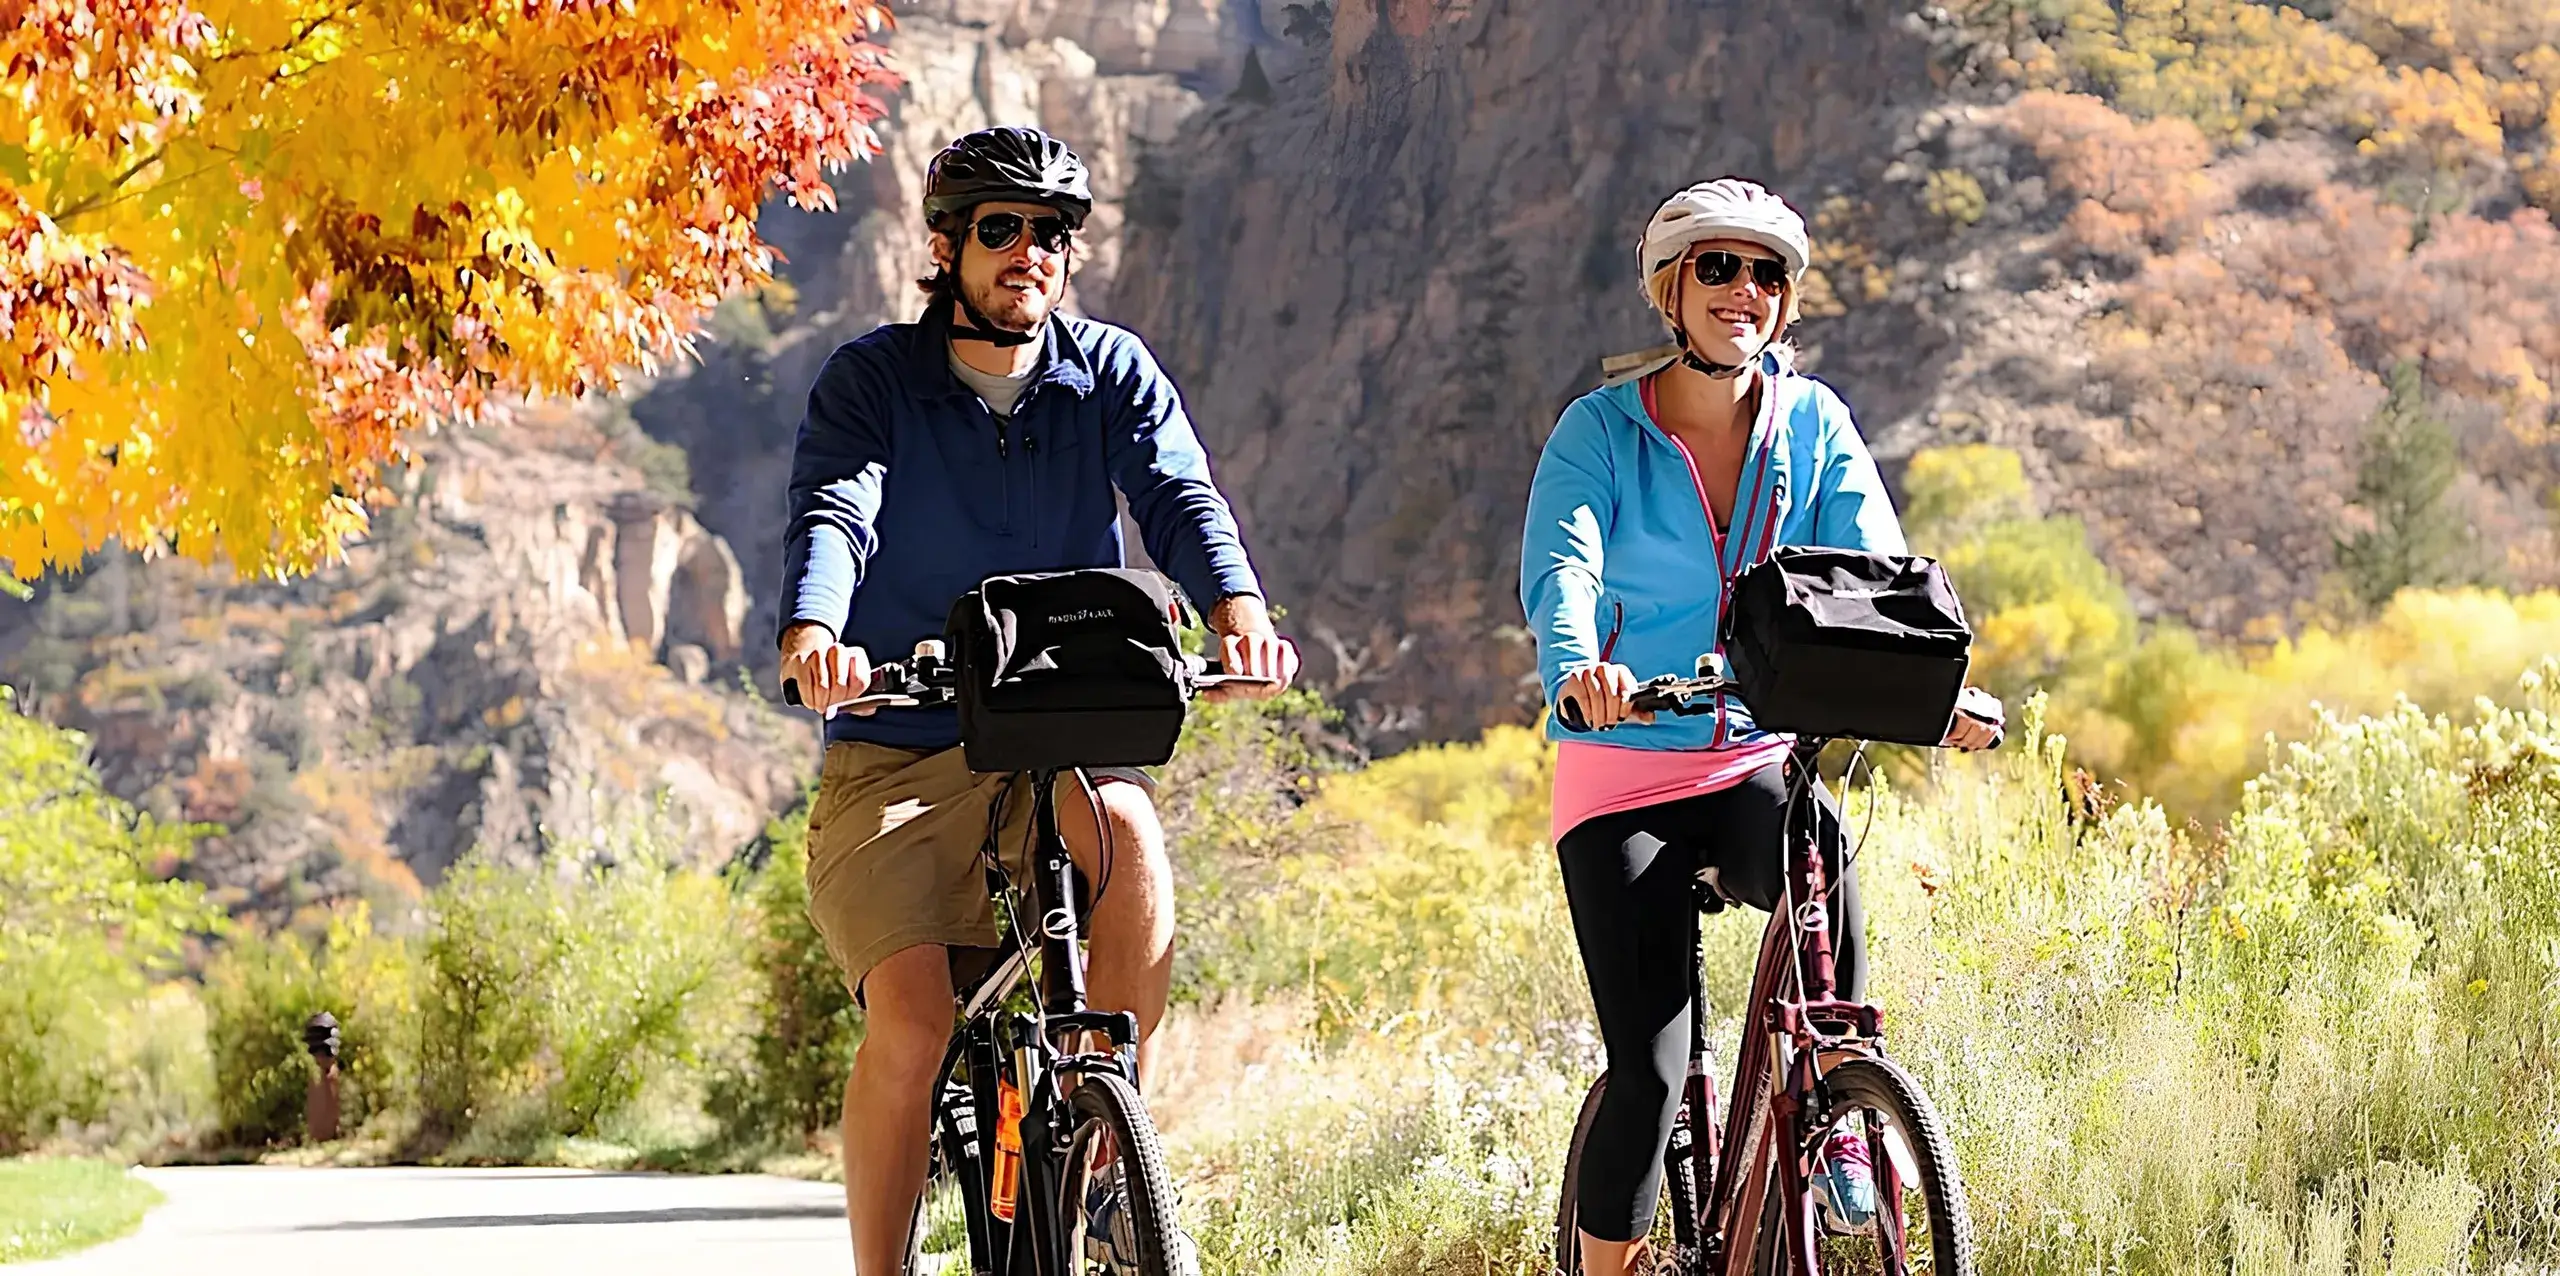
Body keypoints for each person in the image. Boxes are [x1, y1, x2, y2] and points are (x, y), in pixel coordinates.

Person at [775, 124, 1300, 1276]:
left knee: (1128, 833)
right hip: (899, 746)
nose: (1030, 254)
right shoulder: (875, 380)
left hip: (1057, 734)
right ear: (948, 244)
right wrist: (817, 632)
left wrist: (1239, 612)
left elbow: (1176, 494)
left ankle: (1108, 1143)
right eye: (1002, 230)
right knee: (911, 1022)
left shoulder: (1107, 370)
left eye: (1052, 233)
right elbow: (838, 511)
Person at [1518, 178, 2004, 1276]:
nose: (1744, 291)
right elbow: (1564, 566)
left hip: (1748, 755)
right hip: (1624, 775)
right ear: (1670, 290)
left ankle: (1838, 1105)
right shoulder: (1599, 433)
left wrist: (1933, 690)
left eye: (1766, 273)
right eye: (1718, 267)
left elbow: (1867, 578)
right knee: (1651, 1067)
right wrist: (1578, 666)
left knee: (1819, 842)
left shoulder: (1814, 423)